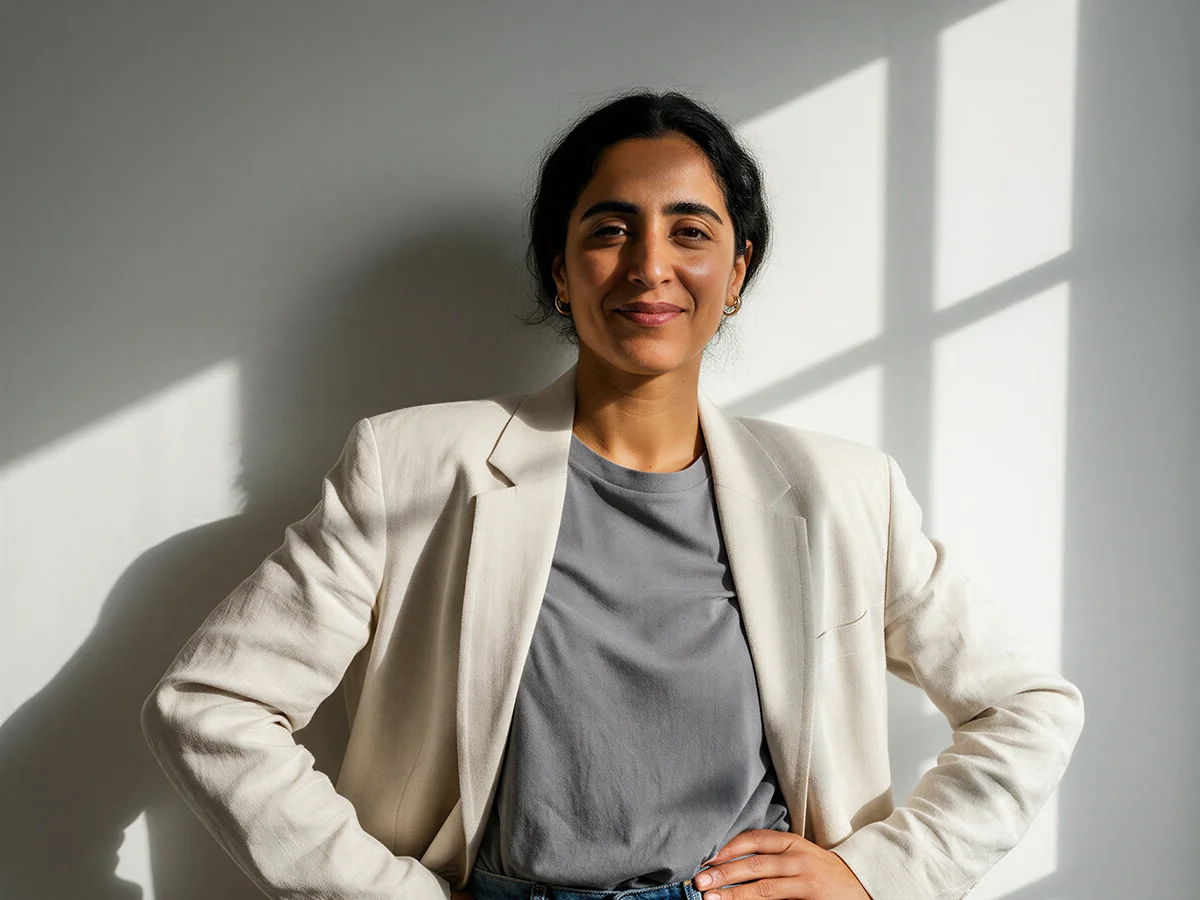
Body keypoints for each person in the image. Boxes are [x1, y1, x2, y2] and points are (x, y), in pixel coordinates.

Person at [142, 90, 1084, 900]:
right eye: (608, 229)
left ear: (738, 272)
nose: (648, 266)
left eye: (690, 230)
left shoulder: (841, 492)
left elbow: (1028, 706)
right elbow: (208, 704)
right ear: (560, 269)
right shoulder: (412, 466)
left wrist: (880, 873)